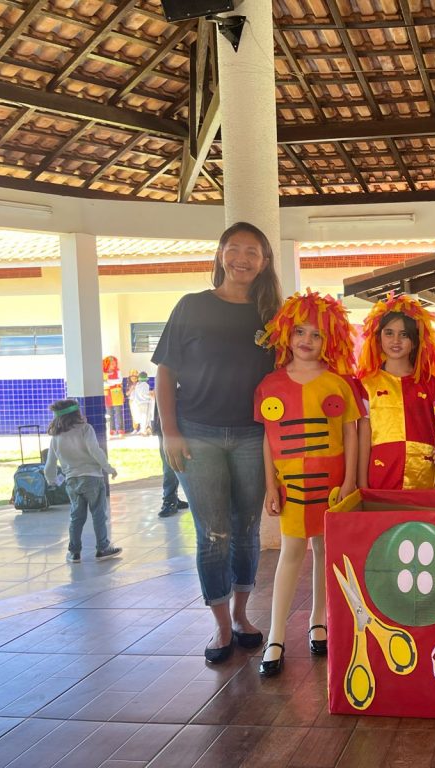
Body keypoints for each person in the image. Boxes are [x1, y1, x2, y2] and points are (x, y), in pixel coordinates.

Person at [153, 221, 281, 664]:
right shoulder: (192, 306)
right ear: (221, 254)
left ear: (265, 262)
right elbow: (165, 372)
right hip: (197, 434)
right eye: (235, 248)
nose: (243, 258)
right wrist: (170, 430)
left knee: (246, 529)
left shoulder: (273, 315)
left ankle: (244, 615)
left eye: (253, 252)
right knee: (213, 532)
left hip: (252, 435)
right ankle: (221, 625)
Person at [254, 290, 361, 676]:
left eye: (316, 334)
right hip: (293, 485)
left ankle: (320, 620)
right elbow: (268, 439)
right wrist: (270, 486)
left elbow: (350, 433)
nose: (307, 340)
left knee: (325, 550)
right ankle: (276, 635)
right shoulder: (270, 383)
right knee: (291, 551)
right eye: (300, 331)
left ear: (329, 339)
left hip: (331, 482)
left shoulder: (339, 383)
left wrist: (349, 481)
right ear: (287, 334)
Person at [356, 293, 435, 490]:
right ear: (379, 337)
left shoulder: (434, 386)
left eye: (404, 334)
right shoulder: (366, 385)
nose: (396, 340)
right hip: (380, 479)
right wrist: (362, 485)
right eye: (389, 333)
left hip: (424, 479)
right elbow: (364, 439)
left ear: (415, 341)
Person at [44, 399, 122, 562]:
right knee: (98, 514)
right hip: (92, 478)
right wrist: (108, 468)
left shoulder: (56, 437)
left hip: (72, 480)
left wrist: (52, 480)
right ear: (76, 413)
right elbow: (95, 451)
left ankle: (74, 552)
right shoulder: (86, 429)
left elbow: (49, 464)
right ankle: (102, 547)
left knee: (76, 517)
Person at [152, 406, 188, 518]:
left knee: (175, 463)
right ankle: (169, 500)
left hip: (184, 422)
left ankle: (172, 498)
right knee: (169, 465)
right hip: (166, 427)